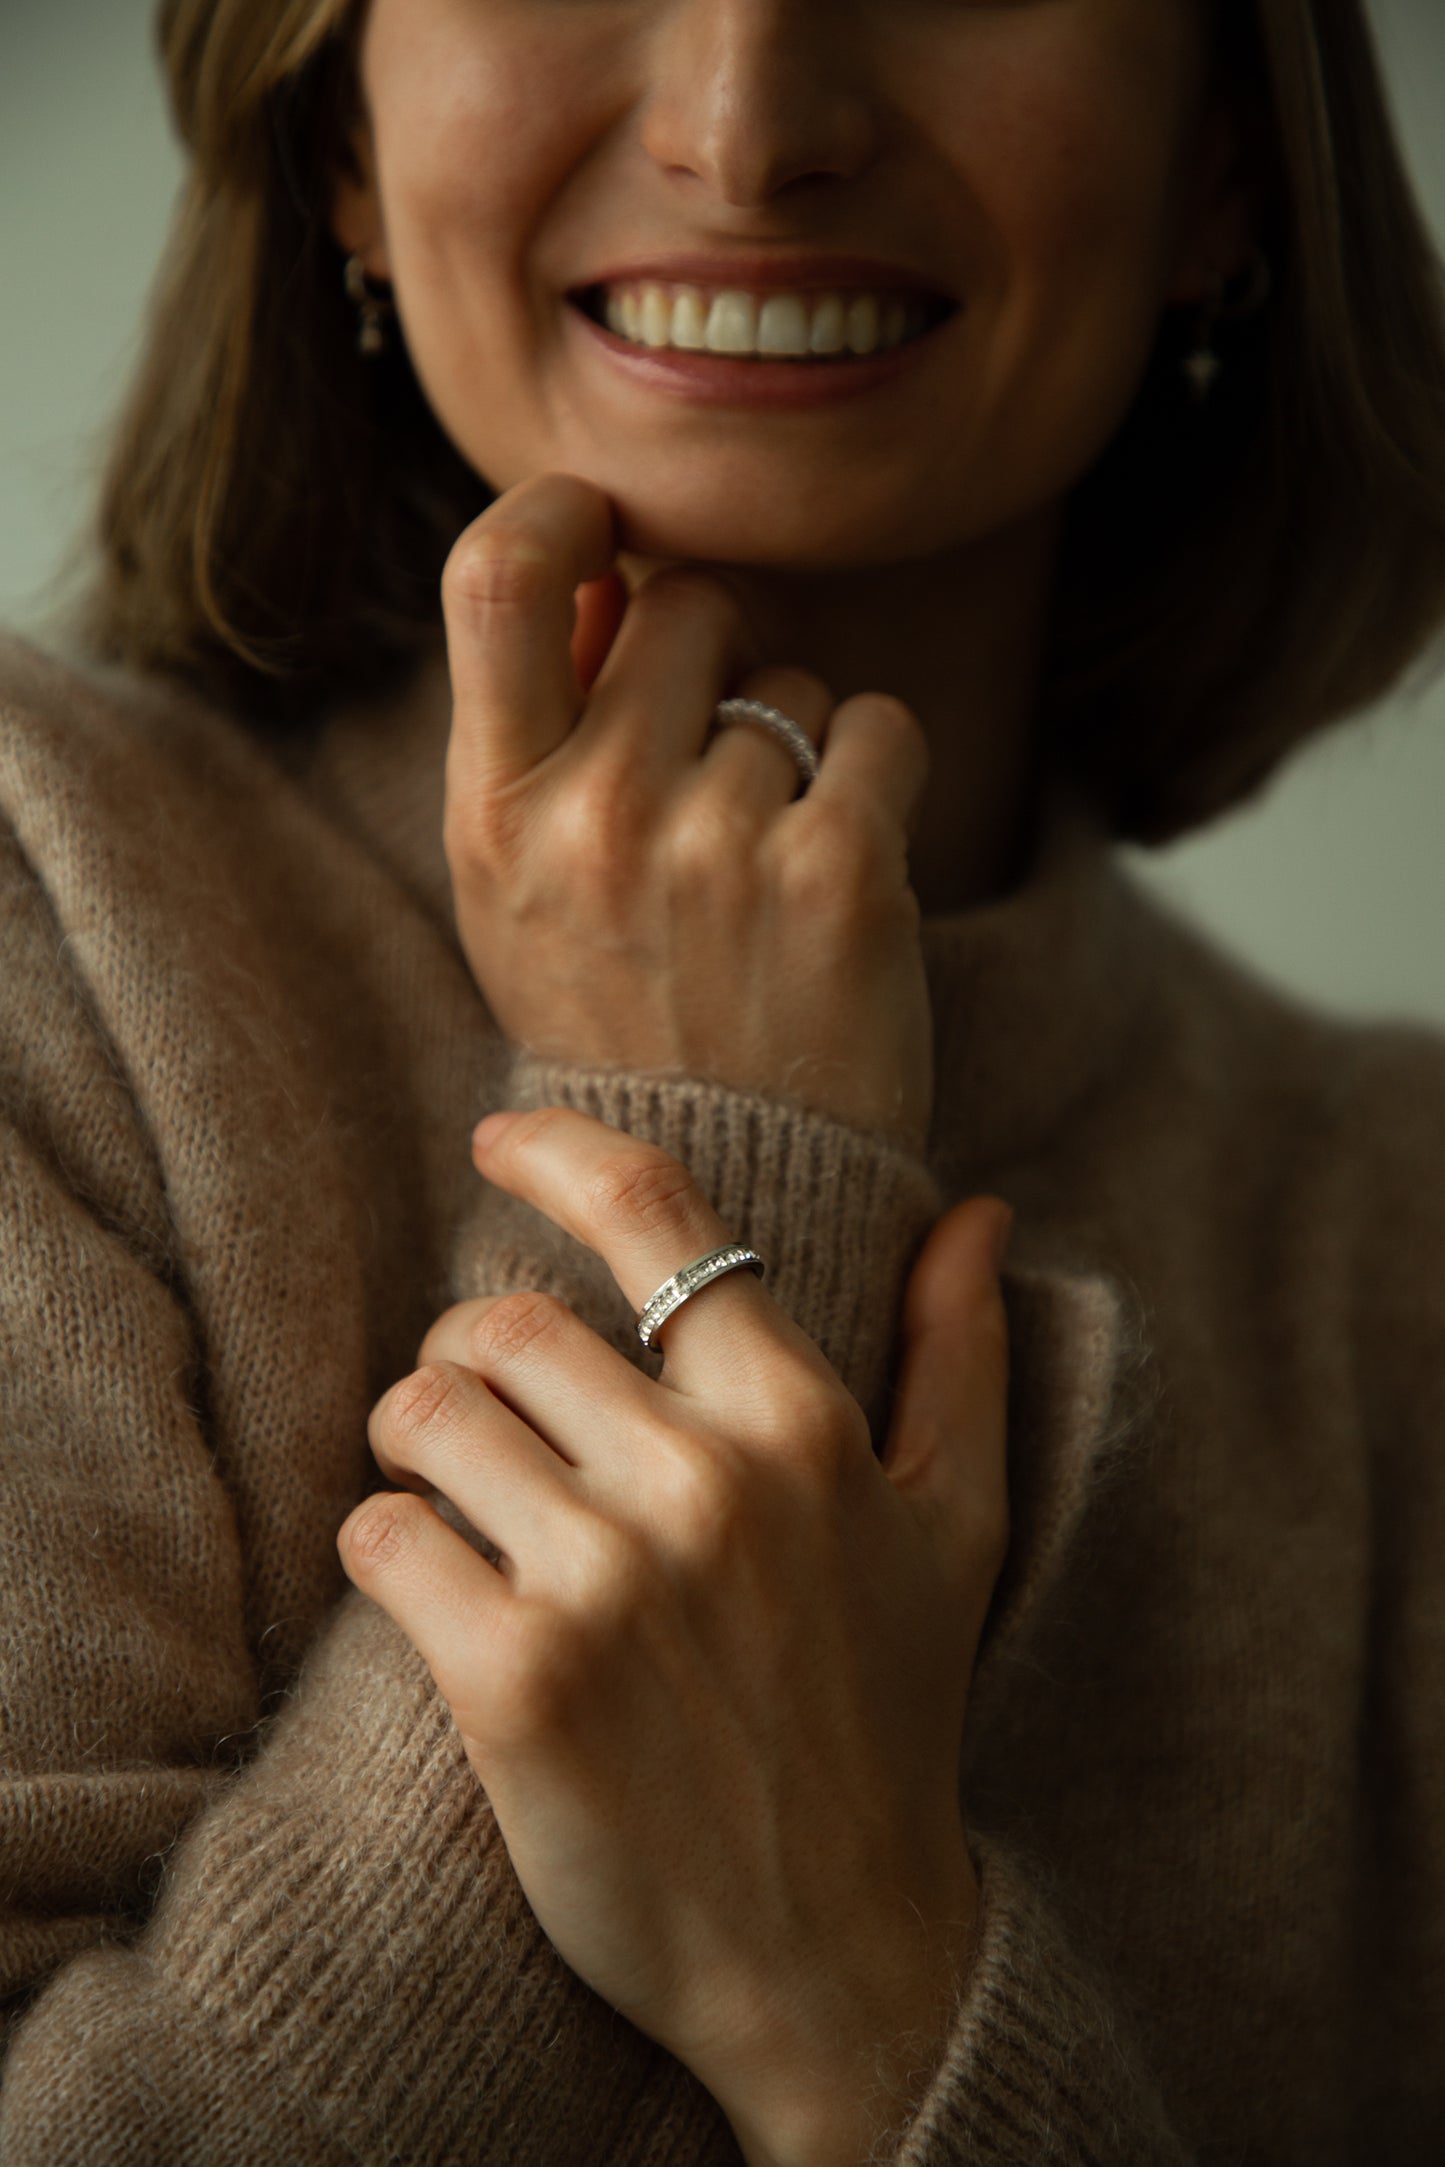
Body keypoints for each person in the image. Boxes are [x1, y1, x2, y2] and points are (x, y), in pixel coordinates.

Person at [1, 0, 1443, 2158]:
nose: (747, 129)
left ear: (1231, 157)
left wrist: (863, 1973)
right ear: (336, 143)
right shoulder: (42, 920)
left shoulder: (1408, 1235)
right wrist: (697, 1140)